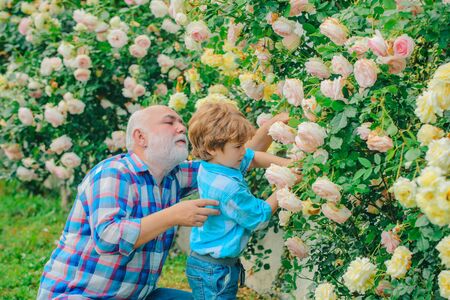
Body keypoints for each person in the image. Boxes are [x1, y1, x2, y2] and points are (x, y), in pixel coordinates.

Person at [37, 104, 289, 299]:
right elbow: (108, 236)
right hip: (80, 295)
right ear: (140, 137)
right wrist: (174, 215)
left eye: (181, 122)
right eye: (169, 122)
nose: (180, 127)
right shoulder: (114, 173)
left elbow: (234, 158)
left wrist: (270, 128)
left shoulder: (172, 177)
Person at [186, 102, 294, 299]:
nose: (243, 150)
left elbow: (252, 157)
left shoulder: (212, 165)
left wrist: (289, 165)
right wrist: (286, 183)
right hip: (215, 272)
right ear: (212, 148)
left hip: (208, 265)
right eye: (238, 146)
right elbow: (259, 217)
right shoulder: (227, 187)